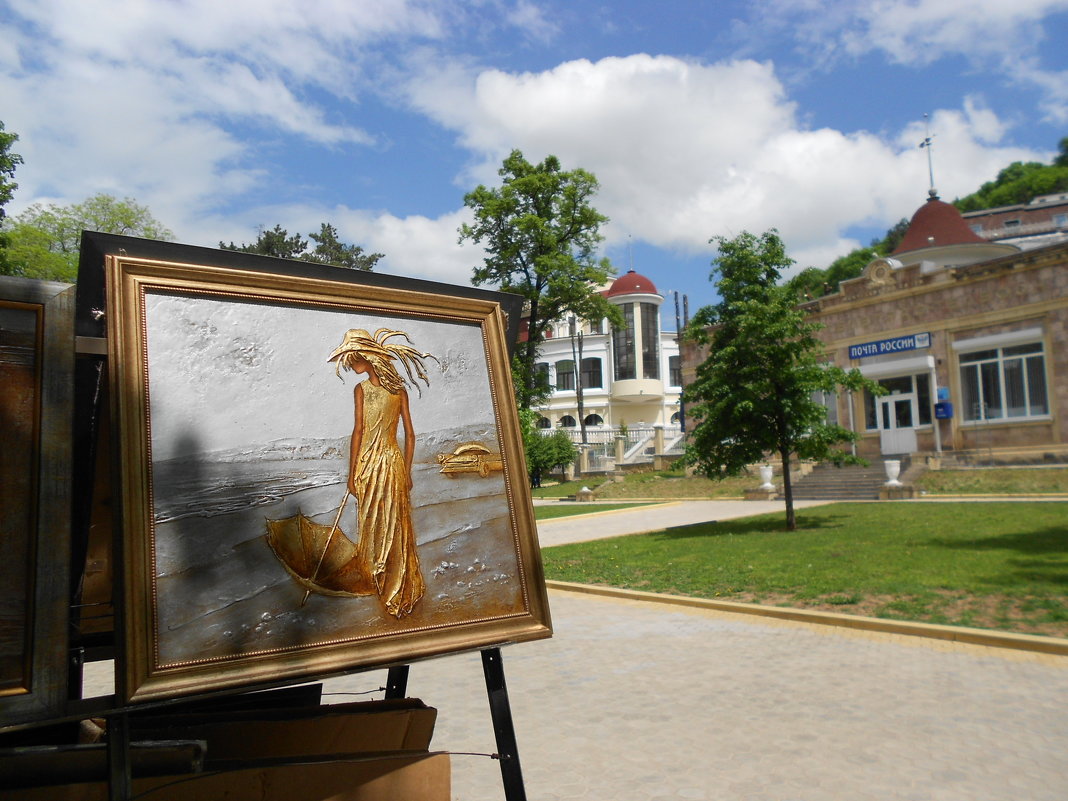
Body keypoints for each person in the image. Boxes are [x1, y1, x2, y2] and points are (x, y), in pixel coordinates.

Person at [326, 328, 436, 618]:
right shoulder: (397, 390)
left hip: (370, 465)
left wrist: (352, 472)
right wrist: (408, 470)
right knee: (395, 523)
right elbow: (410, 436)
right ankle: (392, 583)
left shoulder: (363, 390)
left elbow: (359, 431)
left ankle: (382, 581)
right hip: (393, 463)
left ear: (365, 357)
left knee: (375, 522)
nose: (350, 364)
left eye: (352, 358)